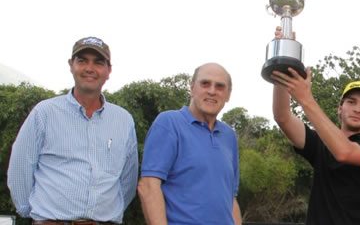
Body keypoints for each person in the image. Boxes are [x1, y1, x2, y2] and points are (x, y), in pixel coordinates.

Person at [7, 36, 139, 224]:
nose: (89, 68)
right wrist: (36, 215)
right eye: (82, 60)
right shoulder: (44, 113)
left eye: (98, 62)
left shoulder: (123, 120)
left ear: (109, 70)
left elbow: (128, 179)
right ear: (71, 65)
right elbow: (20, 170)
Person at [271, 67, 360, 223]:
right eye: (351, 102)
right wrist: (282, 71)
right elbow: (283, 118)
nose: (357, 109)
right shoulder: (321, 144)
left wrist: (306, 98)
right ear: (339, 109)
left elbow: (344, 152)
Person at [137, 63, 242, 225]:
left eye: (220, 86)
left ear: (228, 95)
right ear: (192, 88)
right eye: (205, 83)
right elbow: (149, 186)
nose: (212, 91)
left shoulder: (229, 136)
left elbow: (231, 198)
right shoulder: (169, 123)